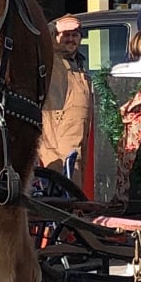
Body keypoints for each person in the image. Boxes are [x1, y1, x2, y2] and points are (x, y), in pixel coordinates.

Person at [36, 15, 90, 178]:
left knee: (77, 179)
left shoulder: (78, 62)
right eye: (66, 35)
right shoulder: (51, 59)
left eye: (75, 35)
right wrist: (57, 25)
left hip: (80, 136)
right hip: (58, 137)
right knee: (62, 181)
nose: (71, 39)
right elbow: (41, 35)